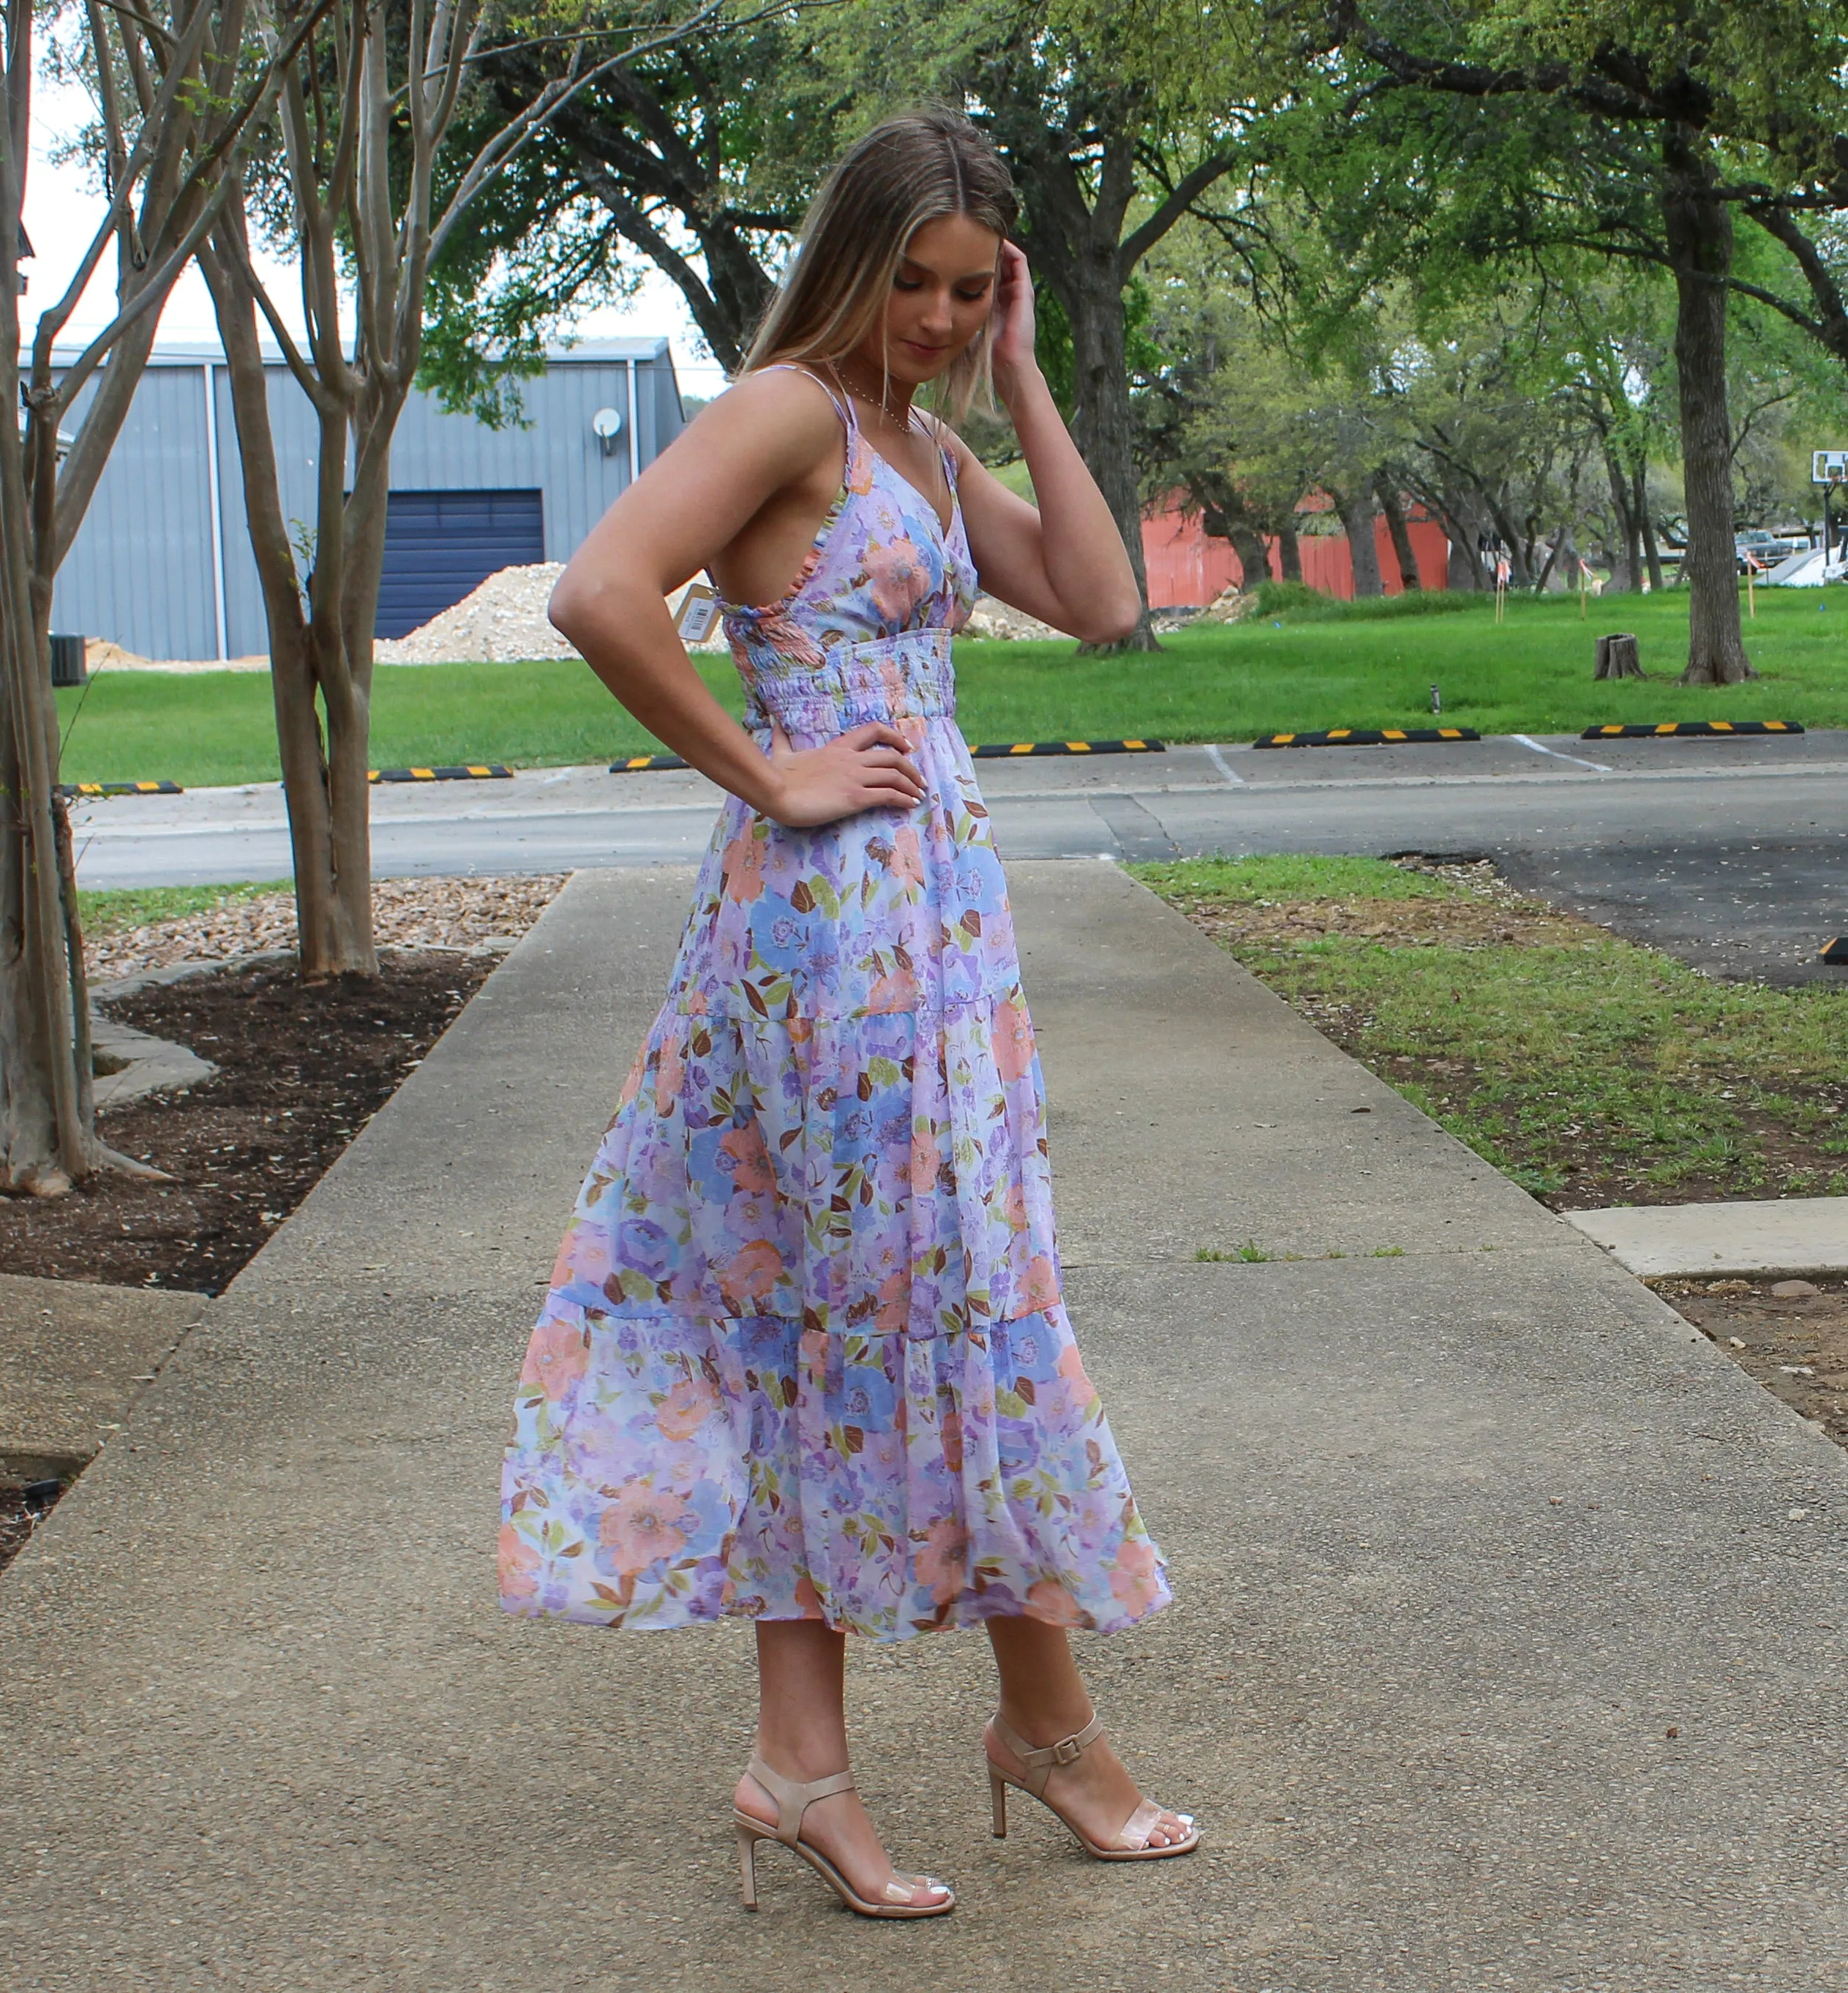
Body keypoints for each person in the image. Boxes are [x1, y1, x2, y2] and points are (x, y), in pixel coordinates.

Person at [500, 105, 1196, 1921]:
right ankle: (1020, 1731)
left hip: (940, 940)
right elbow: (601, 593)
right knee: (909, 1304)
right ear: (855, 259)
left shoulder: (919, 439)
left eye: (977, 292)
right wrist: (773, 774)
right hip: (827, 946)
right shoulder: (790, 410)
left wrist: (1027, 377)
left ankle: (815, 1760)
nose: (949, 317)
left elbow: (1104, 600)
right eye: (925, 286)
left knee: (901, 1302)